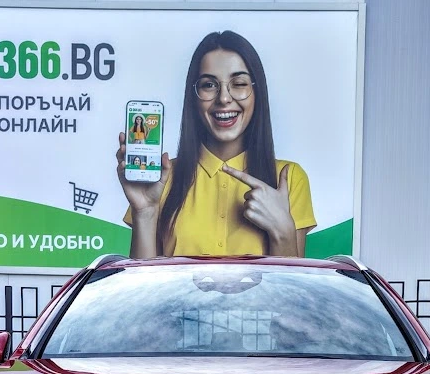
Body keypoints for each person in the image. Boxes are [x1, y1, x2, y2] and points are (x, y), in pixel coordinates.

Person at [118, 30, 315, 258]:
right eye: (209, 85)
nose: (223, 98)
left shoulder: (288, 178)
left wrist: (282, 231)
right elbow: (145, 281)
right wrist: (144, 211)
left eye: (239, 83)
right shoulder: (163, 178)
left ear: (257, 92)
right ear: (194, 96)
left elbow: (290, 282)